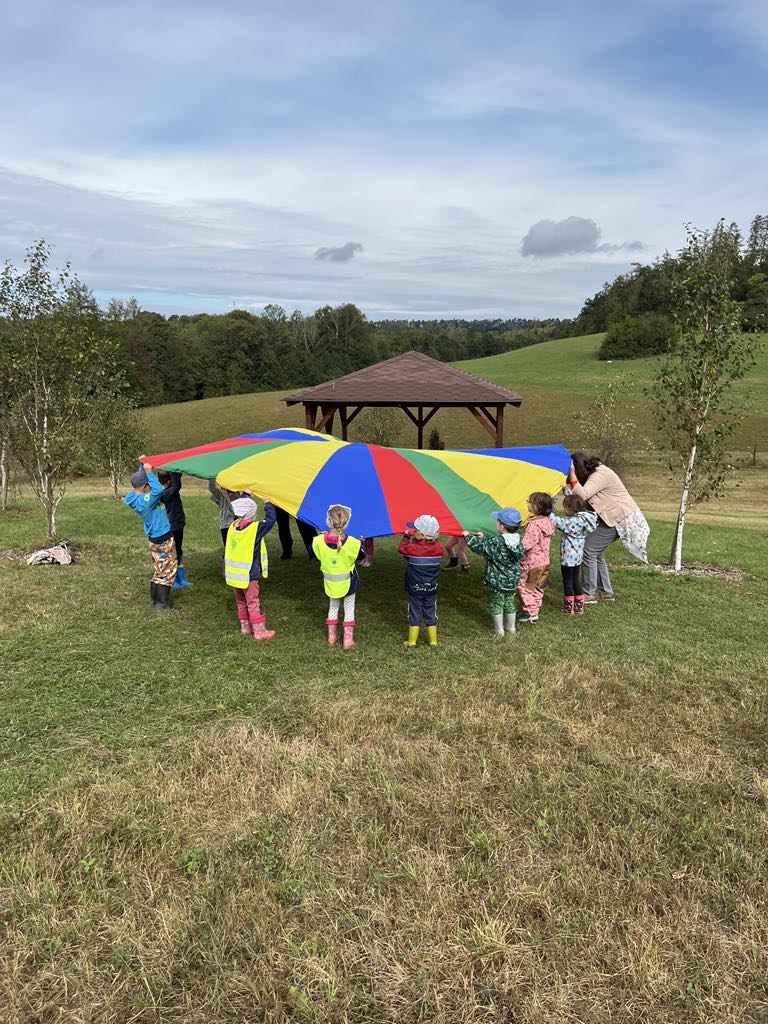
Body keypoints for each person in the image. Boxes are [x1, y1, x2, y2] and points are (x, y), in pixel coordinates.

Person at [567, 452, 650, 603]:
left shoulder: (600, 473)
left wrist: (571, 473)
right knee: (596, 552)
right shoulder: (593, 475)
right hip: (611, 519)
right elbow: (580, 501)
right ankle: (606, 592)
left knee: (588, 550)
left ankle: (589, 593)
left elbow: (582, 495)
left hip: (620, 519)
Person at [123, 460, 178, 610]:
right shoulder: (145, 500)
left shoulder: (135, 497)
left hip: (155, 539)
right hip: (163, 539)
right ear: (145, 486)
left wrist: (143, 465)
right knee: (168, 570)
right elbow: (158, 490)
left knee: (159, 569)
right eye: (149, 484)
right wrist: (148, 472)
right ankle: (162, 604)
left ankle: (155, 601)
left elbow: (141, 482)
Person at [464, 507, 524, 637]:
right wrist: (484, 537)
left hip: (497, 581)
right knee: (509, 602)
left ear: (501, 526)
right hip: (512, 581)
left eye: (497, 521)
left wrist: (468, 537)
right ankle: (511, 628)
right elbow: (494, 544)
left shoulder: (497, 542)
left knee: (497, 604)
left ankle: (499, 630)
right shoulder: (518, 540)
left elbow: (481, 548)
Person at [225, 494, 277, 639]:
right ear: (252, 514)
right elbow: (271, 520)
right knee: (253, 602)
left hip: (234, 574)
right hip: (249, 574)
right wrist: (268, 503)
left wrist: (246, 495)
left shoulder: (233, 526)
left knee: (240, 601)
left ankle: (245, 627)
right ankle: (259, 632)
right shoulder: (255, 529)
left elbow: (242, 507)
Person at [312, 505, 362, 649]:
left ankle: (331, 638)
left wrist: (322, 537)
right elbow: (361, 556)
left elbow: (313, 552)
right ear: (346, 523)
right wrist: (360, 543)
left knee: (333, 607)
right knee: (349, 609)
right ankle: (348, 641)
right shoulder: (354, 543)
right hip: (349, 583)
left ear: (328, 521)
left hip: (330, 583)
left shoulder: (318, 541)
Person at [398, 514, 444, 648]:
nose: (413, 531)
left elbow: (402, 550)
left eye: (415, 530)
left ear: (421, 534)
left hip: (414, 588)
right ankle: (433, 641)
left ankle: (412, 641)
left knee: (414, 611)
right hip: (431, 588)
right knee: (430, 612)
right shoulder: (440, 549)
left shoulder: (412, 549)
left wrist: (406, 537)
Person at [550, 494, 598, 615]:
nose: (564, 510)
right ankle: (578, 607)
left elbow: (559, 523)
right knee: (576, 581)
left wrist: (549, 512)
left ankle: (568, 608)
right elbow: (574, 501)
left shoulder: (573, 521)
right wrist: (566, 492)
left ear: (571, 508)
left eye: (565, 507)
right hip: (577, 558)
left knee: (567, 582)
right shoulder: (583, 517)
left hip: (568, 559)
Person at [517, 492, 555, 624]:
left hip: (531, 564)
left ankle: (530, 612)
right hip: (544, 562)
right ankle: (535, 606)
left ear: (537, 506)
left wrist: (517, 544)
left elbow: (526, 545)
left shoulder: (533, 526)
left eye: (529, 501)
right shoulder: (547, 522)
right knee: (537, 586)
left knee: (523, 586)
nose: (527, 503)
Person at [157, 470, 191, 588]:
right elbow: (177, 486)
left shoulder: (170, 491)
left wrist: (176, 472)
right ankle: (173, 578)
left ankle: (180, 577)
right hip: (172, 526)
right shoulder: (165, 493)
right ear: (169, 480)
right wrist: (175, 470)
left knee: (178, 550)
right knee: (172, 552)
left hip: (178, 524)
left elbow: (176, 485)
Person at [208, 479, 238, 547]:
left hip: (238, 523)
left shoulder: (236, 493)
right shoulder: (221, 495)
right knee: (228, 546)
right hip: (226, 524)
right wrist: (212, 477)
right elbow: (211, 487)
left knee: (236, 546)